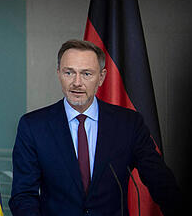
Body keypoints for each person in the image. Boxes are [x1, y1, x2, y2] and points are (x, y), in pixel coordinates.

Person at [9, 40, 183, 216]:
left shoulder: (128, 124)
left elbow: (161, 182)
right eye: (69, 72)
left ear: (101, 77)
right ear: (58, 73)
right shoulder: (33, 126)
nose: (77, 82)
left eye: (86, 74)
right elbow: (23, 196)